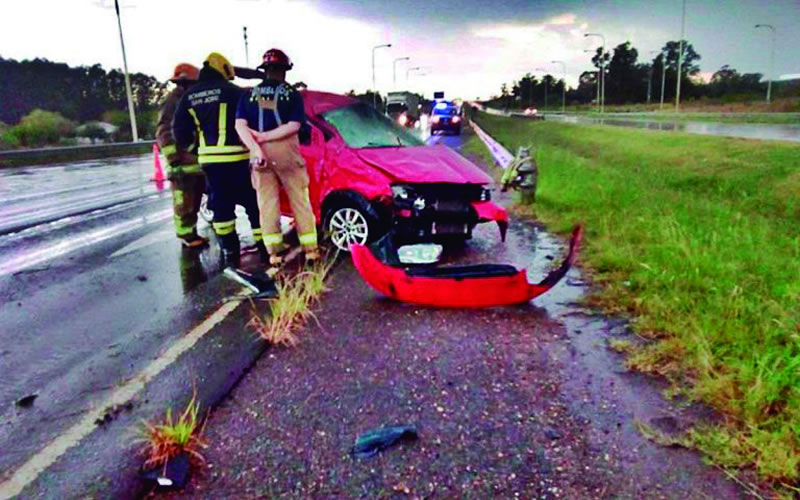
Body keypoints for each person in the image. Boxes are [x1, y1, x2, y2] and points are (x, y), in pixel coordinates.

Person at [172, 52, 265, 268]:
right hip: (239, 160)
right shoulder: (235, 92)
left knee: (222, 208)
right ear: (223, 70)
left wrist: (198, 150)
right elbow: (253, 121)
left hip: (211, 163)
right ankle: (264, 249)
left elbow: (179, 132)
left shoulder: (189, 96)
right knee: (252, 203)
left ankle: (230, 253)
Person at [235, 48, 318, 272]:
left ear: (265, 70)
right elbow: (295, 125)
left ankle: (274, 254)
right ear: (284, 70)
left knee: (267, 203)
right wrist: (268, 136)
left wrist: (256, 147)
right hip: (286, 149)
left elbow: (239, 126)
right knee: (299, 199)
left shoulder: (248, 94)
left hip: (258, 151)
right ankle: (310, 249)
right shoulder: (291, 94)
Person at [155, 63, 207, 248]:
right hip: (181, 163)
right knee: (184, 201)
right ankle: (187, 236)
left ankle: (192, 233)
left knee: (195, 199)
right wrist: (173, 158)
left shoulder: (191, 99)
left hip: (195, 161)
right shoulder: (173, 100)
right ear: (184, 83)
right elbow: (163, 130)